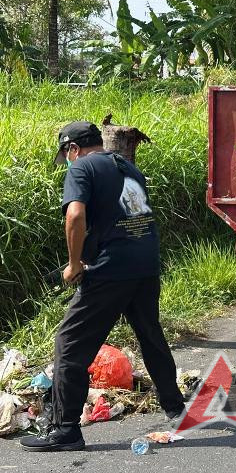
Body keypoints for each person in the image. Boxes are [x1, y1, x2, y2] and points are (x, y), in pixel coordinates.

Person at [21, 122, 185, 452]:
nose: (68, 162)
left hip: (112, 270)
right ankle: (176, 407)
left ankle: (65, 430)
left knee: (69, 344)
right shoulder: (128, 167)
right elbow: (124, 218)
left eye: (67, 155)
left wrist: (74, 263)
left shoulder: (81, 167)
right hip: (146, 265)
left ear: (73, 149)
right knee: (150, 334)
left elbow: (75, 216)